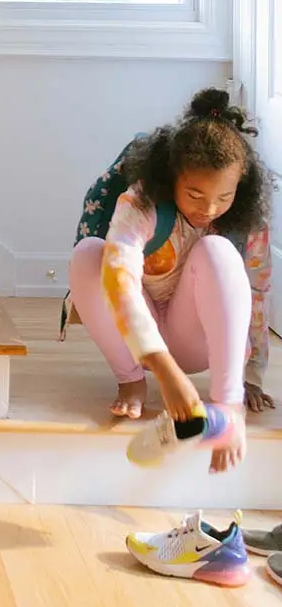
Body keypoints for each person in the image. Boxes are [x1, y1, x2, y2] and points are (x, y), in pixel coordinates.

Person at [67, 88, 273, 474]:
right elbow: (119, 280)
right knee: (90, 256)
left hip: (193, 340)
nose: (208, 208)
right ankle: (129, 380)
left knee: (218, 251)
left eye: (223, 197)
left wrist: (249, 378)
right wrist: (162, 371)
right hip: (139, 341)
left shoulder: (246, 223)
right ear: (172, 176)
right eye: (194, 194)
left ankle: (227, 410)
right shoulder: (141, 202)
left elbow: (257, 293)